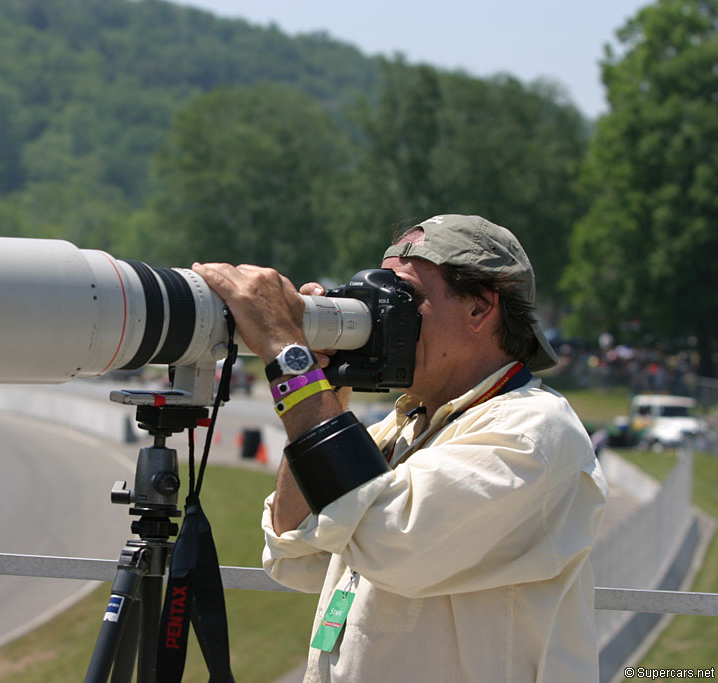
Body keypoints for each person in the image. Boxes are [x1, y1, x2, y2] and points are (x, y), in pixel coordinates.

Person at [192, 214, 609, 682]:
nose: (381, 314)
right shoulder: (406, 423)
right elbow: (294, 548)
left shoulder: (533, 431)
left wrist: (285, 351)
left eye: (404, 297)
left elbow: (392, 542)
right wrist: (320, 381)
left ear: (480, 309)